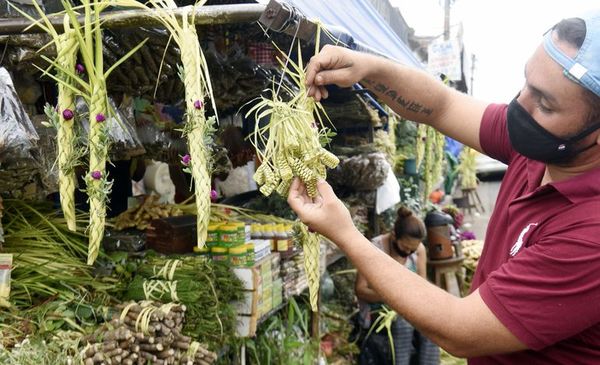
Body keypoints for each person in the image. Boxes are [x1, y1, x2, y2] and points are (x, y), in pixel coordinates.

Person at [287, 10, 600, 364]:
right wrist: (369, 68)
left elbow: (461, 329)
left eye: (544, 103)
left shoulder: (591, 234)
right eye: (525, 83)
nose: (520, 106)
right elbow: (442, 105)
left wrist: (345, 233)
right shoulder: (539, 148)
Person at [355, 206, 439, 365]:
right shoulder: (373, 249)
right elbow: (360, 290)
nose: (408, 252)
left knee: (430, 325)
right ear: (394, 235)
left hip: (408, 307)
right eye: (405, 247)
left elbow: (422, 285)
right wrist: (390, 296)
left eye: (412, 250)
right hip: (379, 312)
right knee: (403, 324)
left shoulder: (419, 250)